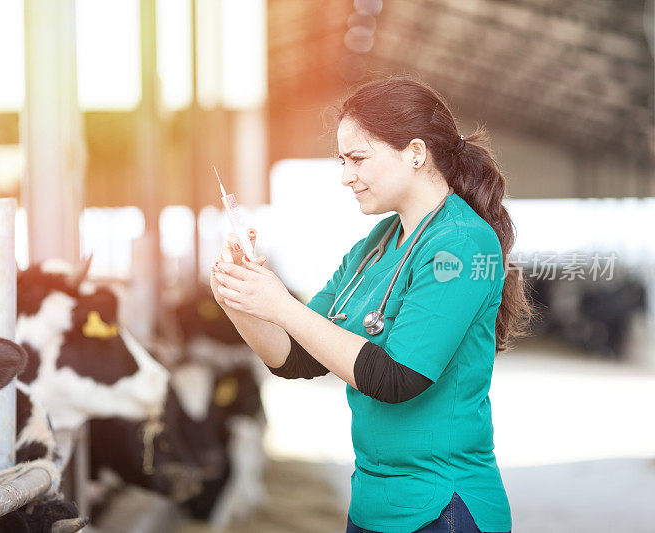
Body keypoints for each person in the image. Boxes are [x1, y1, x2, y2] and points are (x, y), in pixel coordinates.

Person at [209, 76, 533, 533]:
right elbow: (295, 357)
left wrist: (281, 304)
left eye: (358, 159)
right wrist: (239, 295)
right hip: (372, 505)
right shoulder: (374, 247)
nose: (345, 176)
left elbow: (398, 377)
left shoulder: (462, 244)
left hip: (441, 507)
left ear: (416, 153)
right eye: (341, 161)